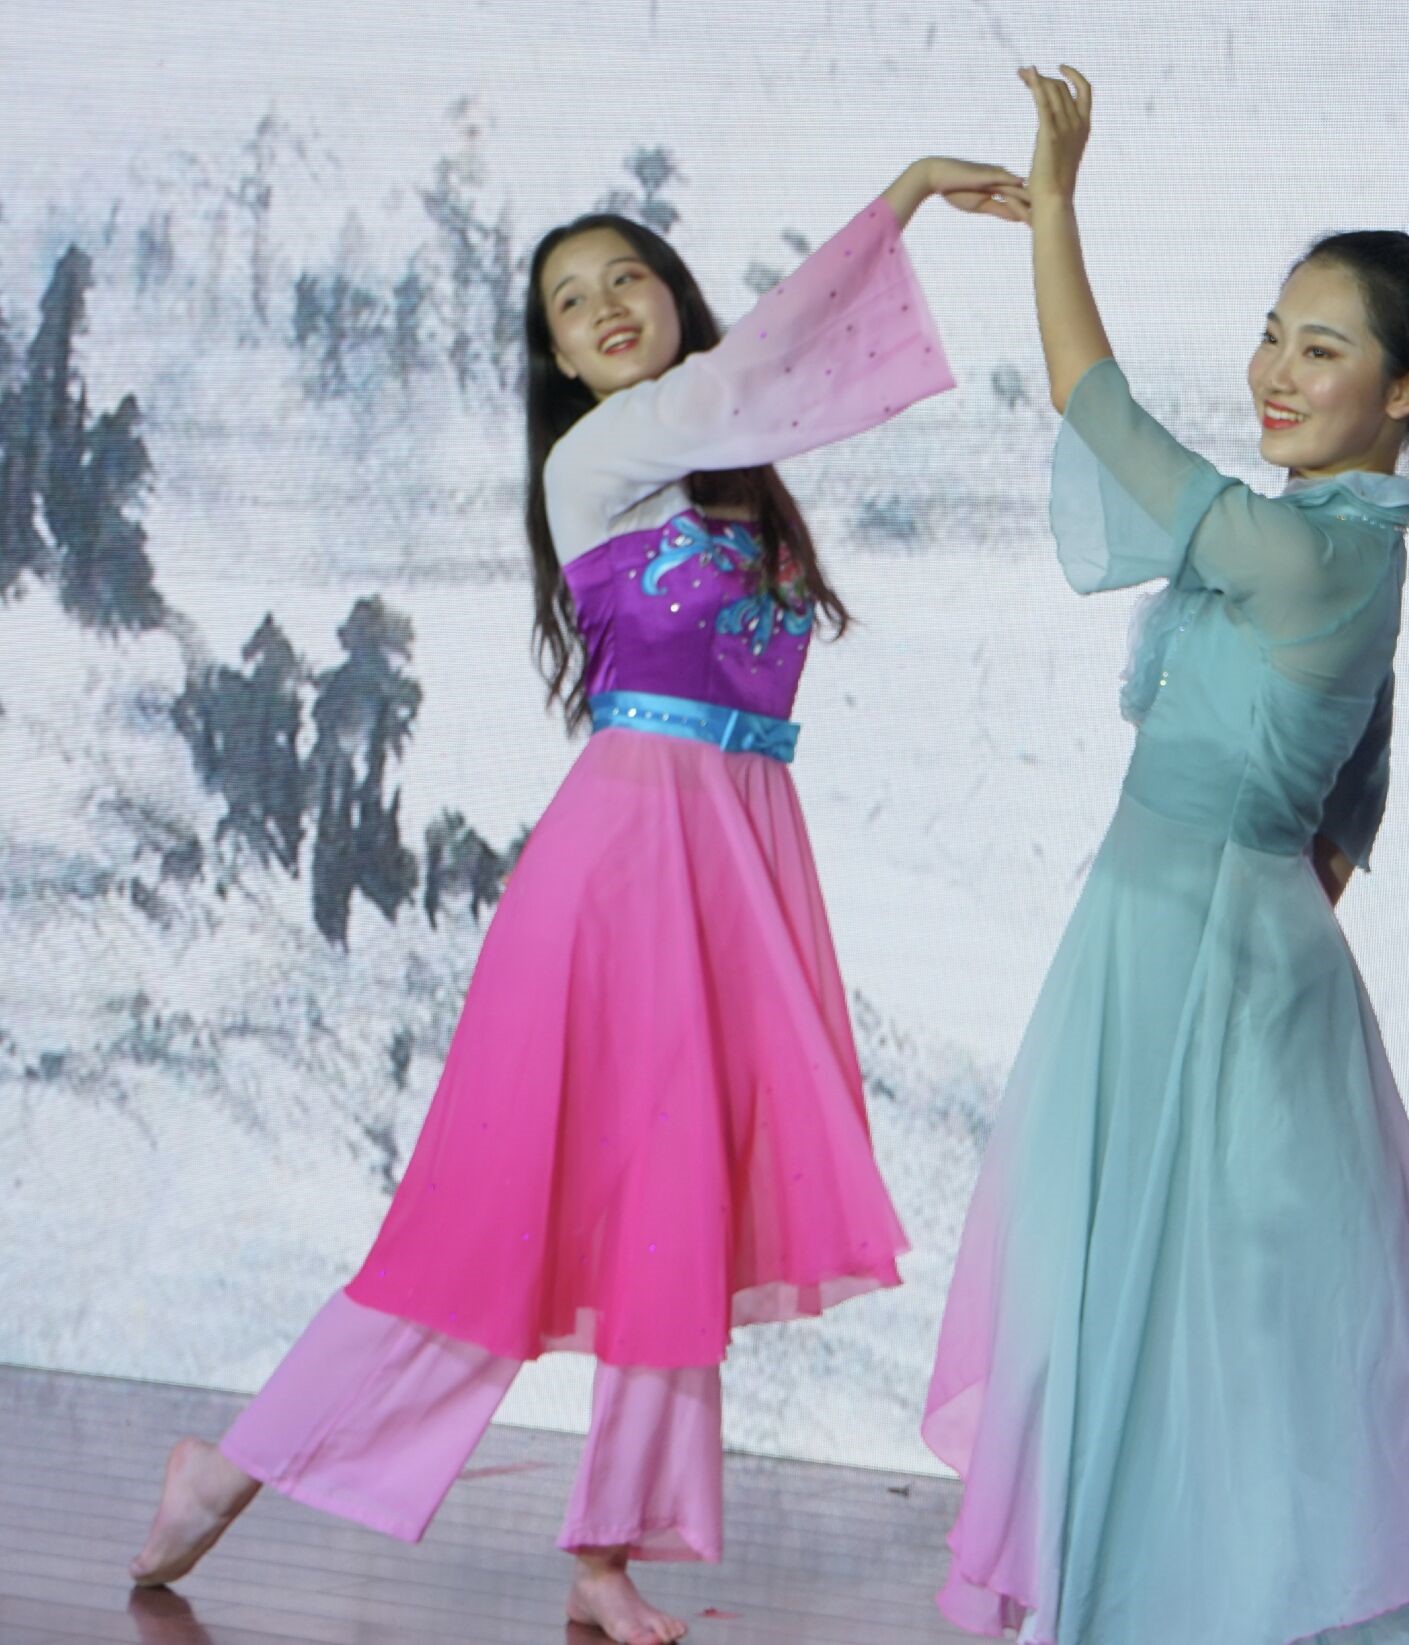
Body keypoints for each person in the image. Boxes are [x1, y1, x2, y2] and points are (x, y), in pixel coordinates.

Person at [129, 152, 1027, 1645]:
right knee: (482, 1225)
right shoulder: (605, 453)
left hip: (734, 861)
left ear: (674, 299)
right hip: (622, 871)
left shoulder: (726, 468)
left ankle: (608, 1553)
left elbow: (748, 414)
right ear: (557, 356)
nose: (606, 307)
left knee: (677, 1223)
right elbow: (757, 370)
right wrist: (911, 193)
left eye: (629, 279)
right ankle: (228, 1466)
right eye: (570, 302)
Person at [922, 67, 1409, 1645]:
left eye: (1320, 349)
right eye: (1273, 333)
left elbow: (1098, 409)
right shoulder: (1335, 548)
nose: (1273, 370)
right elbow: (1353, 795)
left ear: (1408, 389)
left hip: (1209, 956)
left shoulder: (1316, 554)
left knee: (1280, 1333)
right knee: (1167, 1311)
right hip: (1186, 939)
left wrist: (1055, 211)